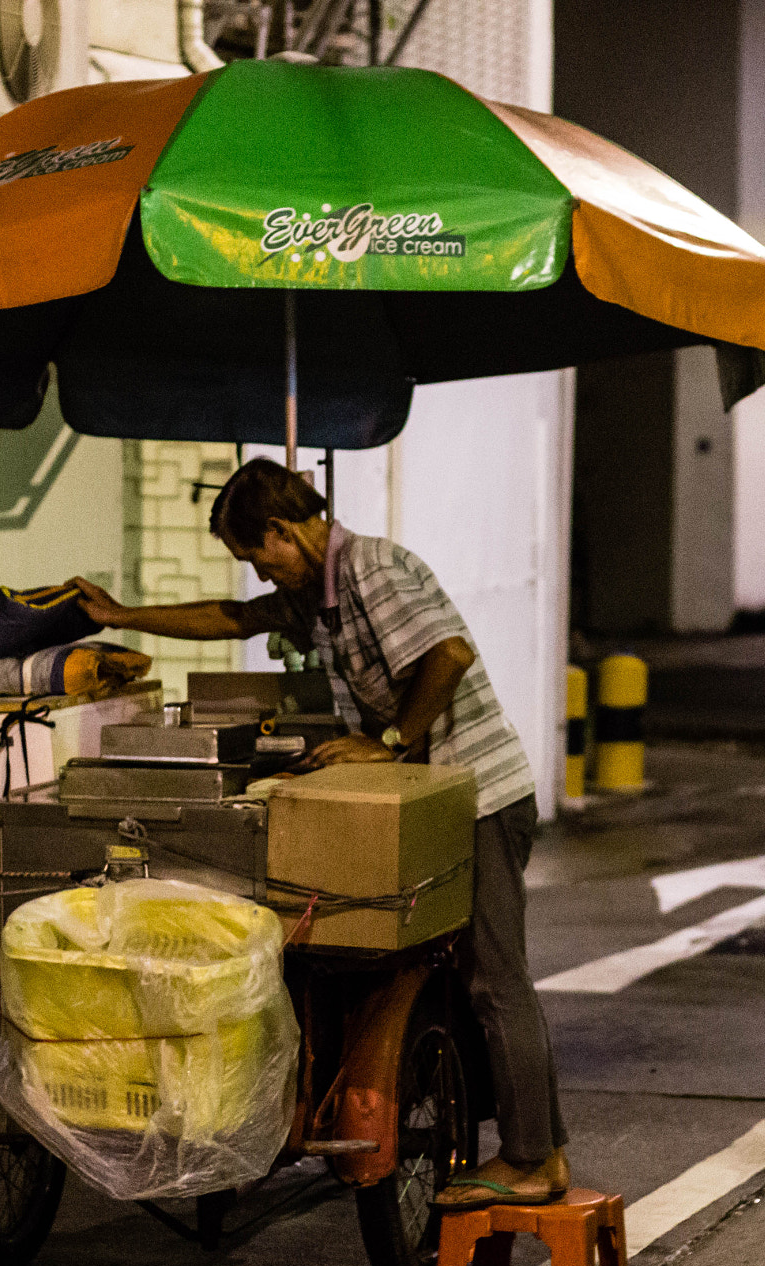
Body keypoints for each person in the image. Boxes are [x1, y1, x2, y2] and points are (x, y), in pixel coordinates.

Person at [68, 459, 568, 1210]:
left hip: (479, 797)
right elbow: (233, 619)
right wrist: (123, 617)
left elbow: (449, 655)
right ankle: (507, 1134)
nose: (260, 577)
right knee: (457, 976)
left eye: (255, 557)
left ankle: (535, 1158)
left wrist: (391, 739)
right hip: (432, 800)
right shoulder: (315, 595)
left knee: (495, 975)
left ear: (281, 530)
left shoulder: (372, 568)